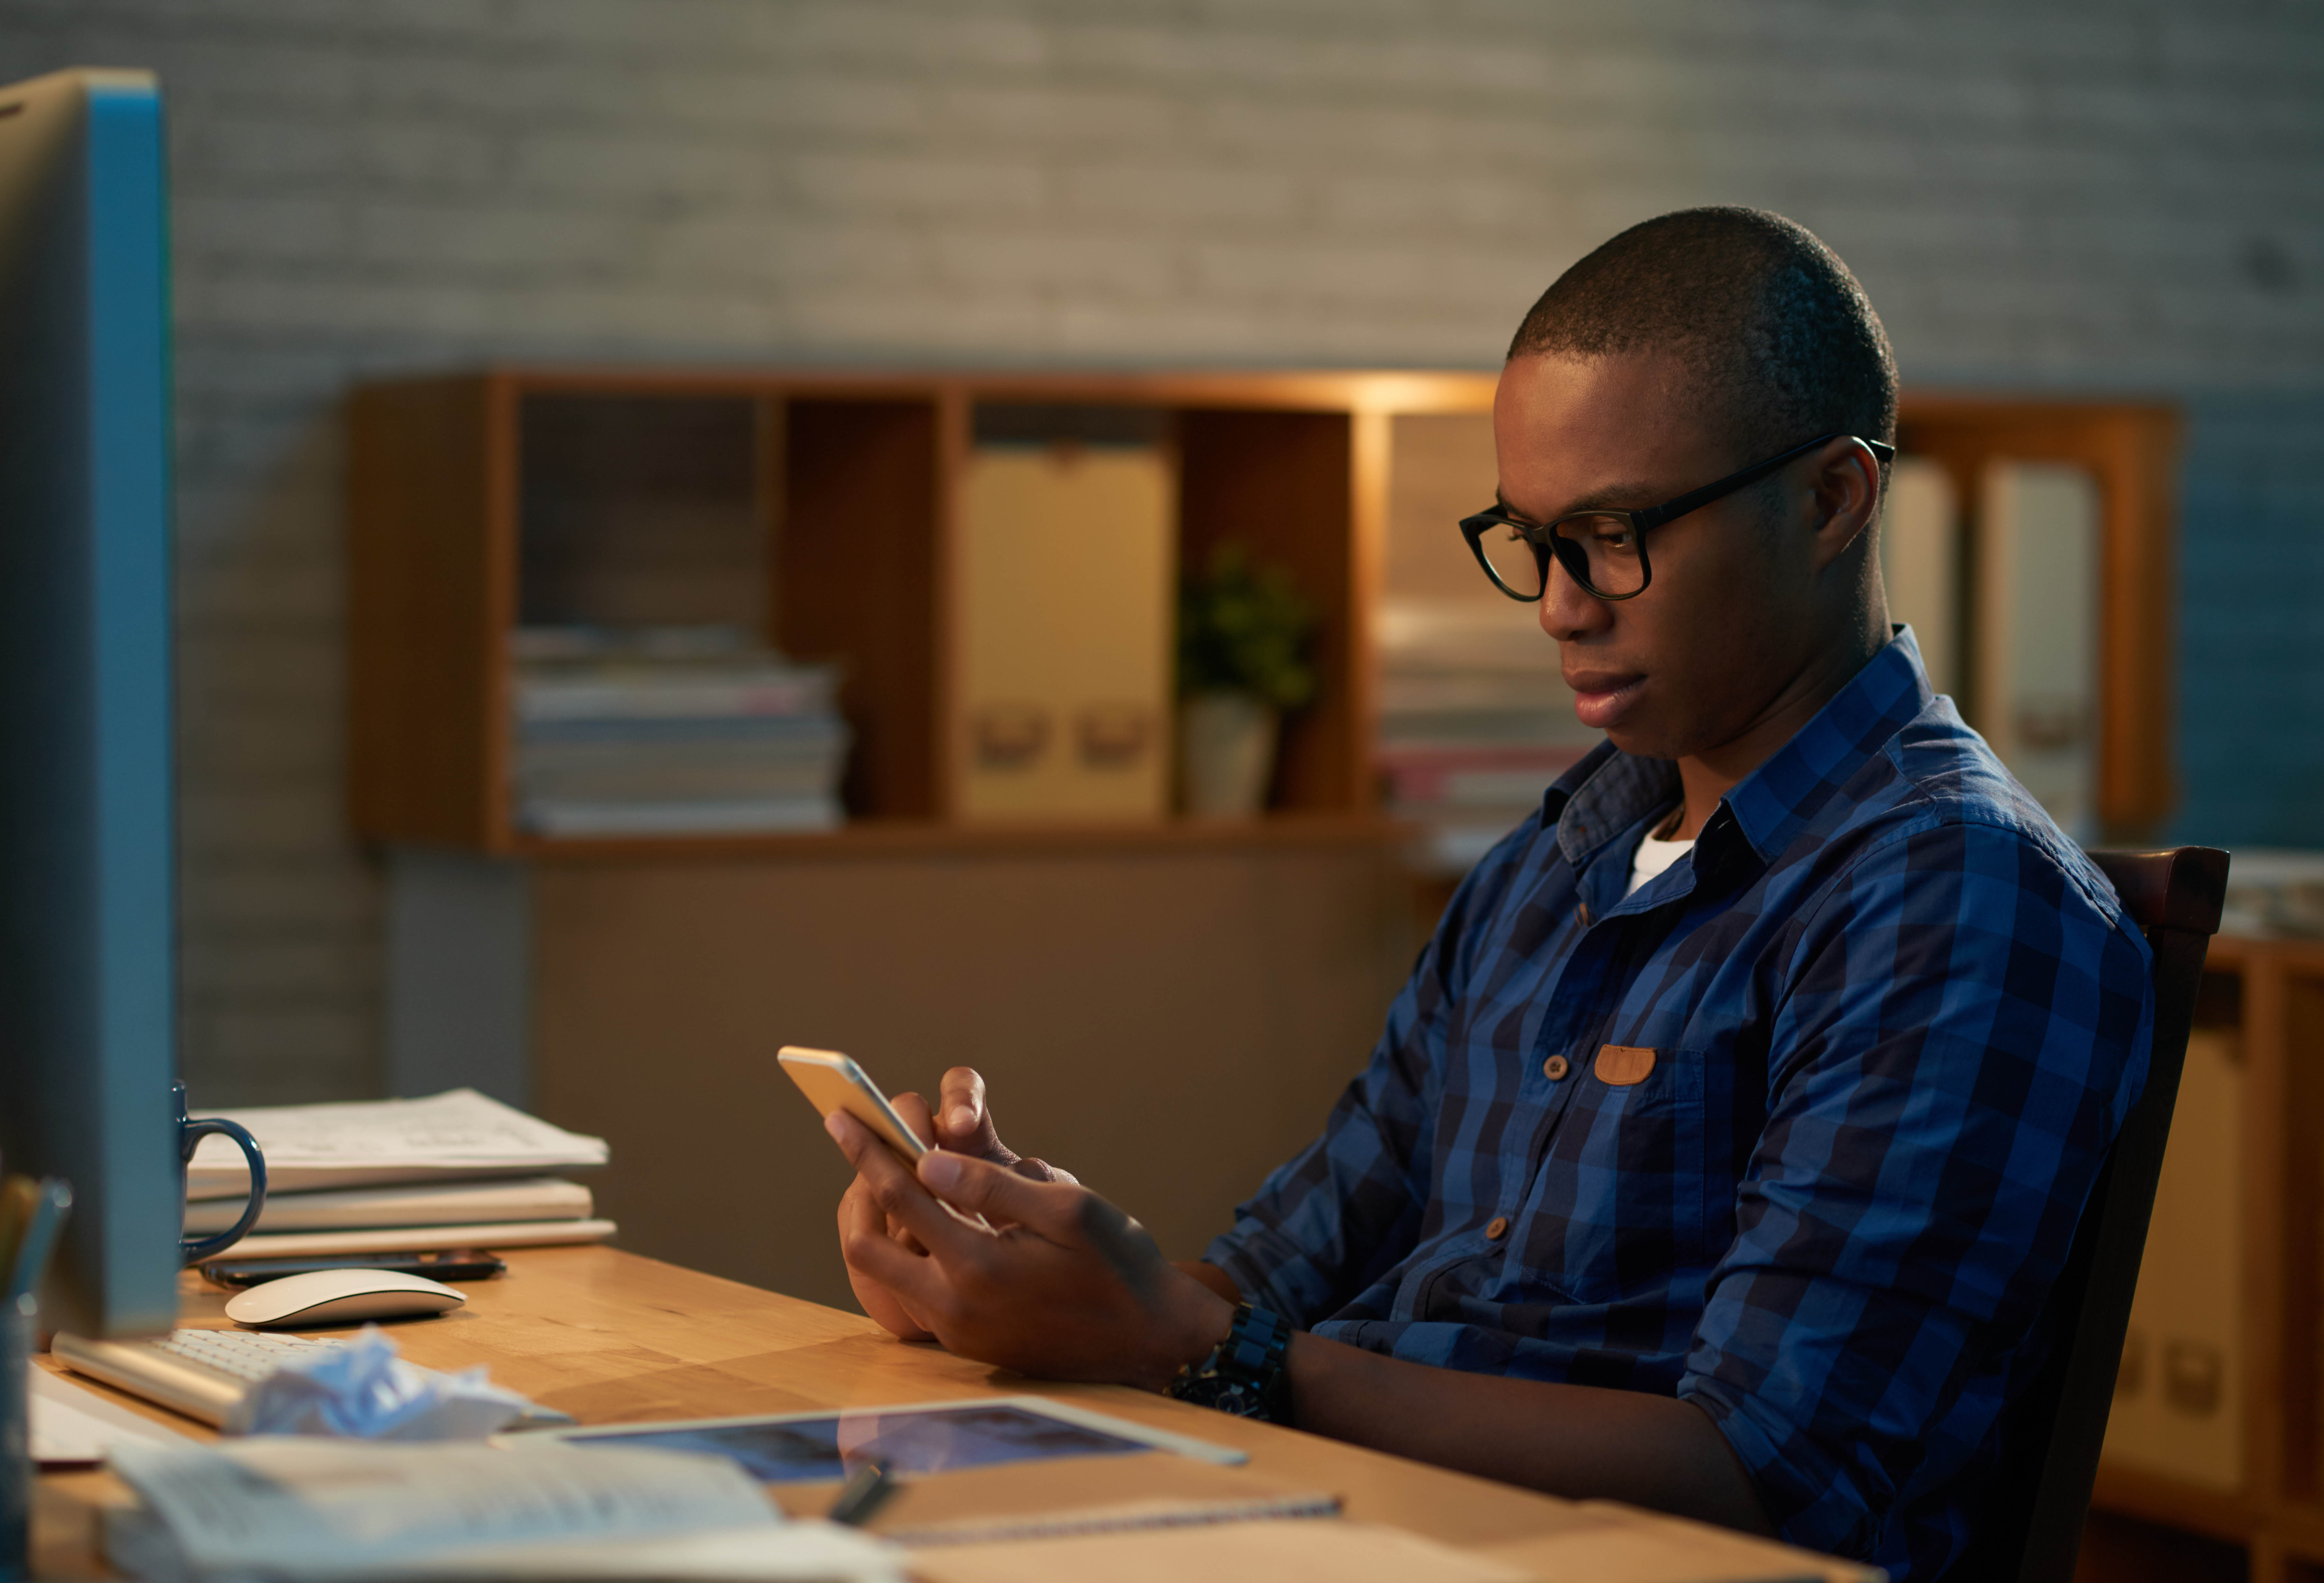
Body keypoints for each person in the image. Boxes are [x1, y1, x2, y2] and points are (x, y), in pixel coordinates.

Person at [823, 208, 2154, 1581]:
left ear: (1830, 500)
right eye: (1530, 539)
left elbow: (1763, 1476)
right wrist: (1009, 1267)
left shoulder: (1949, 894)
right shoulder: (1559, 855)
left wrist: (1192, 1347)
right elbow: (1277, 1273)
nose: (1559, 607)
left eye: (1614, 535)